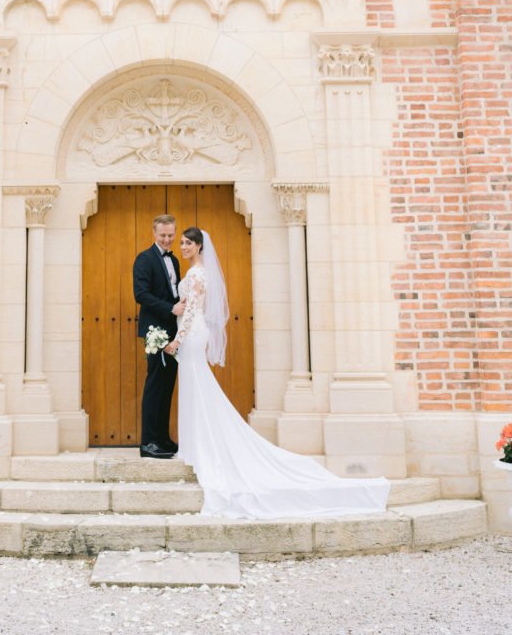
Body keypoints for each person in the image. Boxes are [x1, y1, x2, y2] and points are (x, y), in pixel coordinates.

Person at [164, 227, 391, 519]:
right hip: (194, 334)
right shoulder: (197, 272)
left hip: (192, 335)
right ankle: (195, 447)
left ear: (198, 246)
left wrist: (177, 340)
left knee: (198, 388)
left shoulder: (196, 274)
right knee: (197, 389)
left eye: (187, 243)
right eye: (181, 242)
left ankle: (201, 449)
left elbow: (193, 309)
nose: (182, 247)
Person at [133, 214, 186, 459]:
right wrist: (170, 309)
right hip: (155, 331)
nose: (167, 239)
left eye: (170, 235)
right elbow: (141, 294)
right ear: (154, 233)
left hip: (172, 331)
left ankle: (162, 439)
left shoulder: (174, 261)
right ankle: (148, 443)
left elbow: (173, 293)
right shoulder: (144, 259)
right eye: (163, 235)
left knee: (167, 386)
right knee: (154, 385)